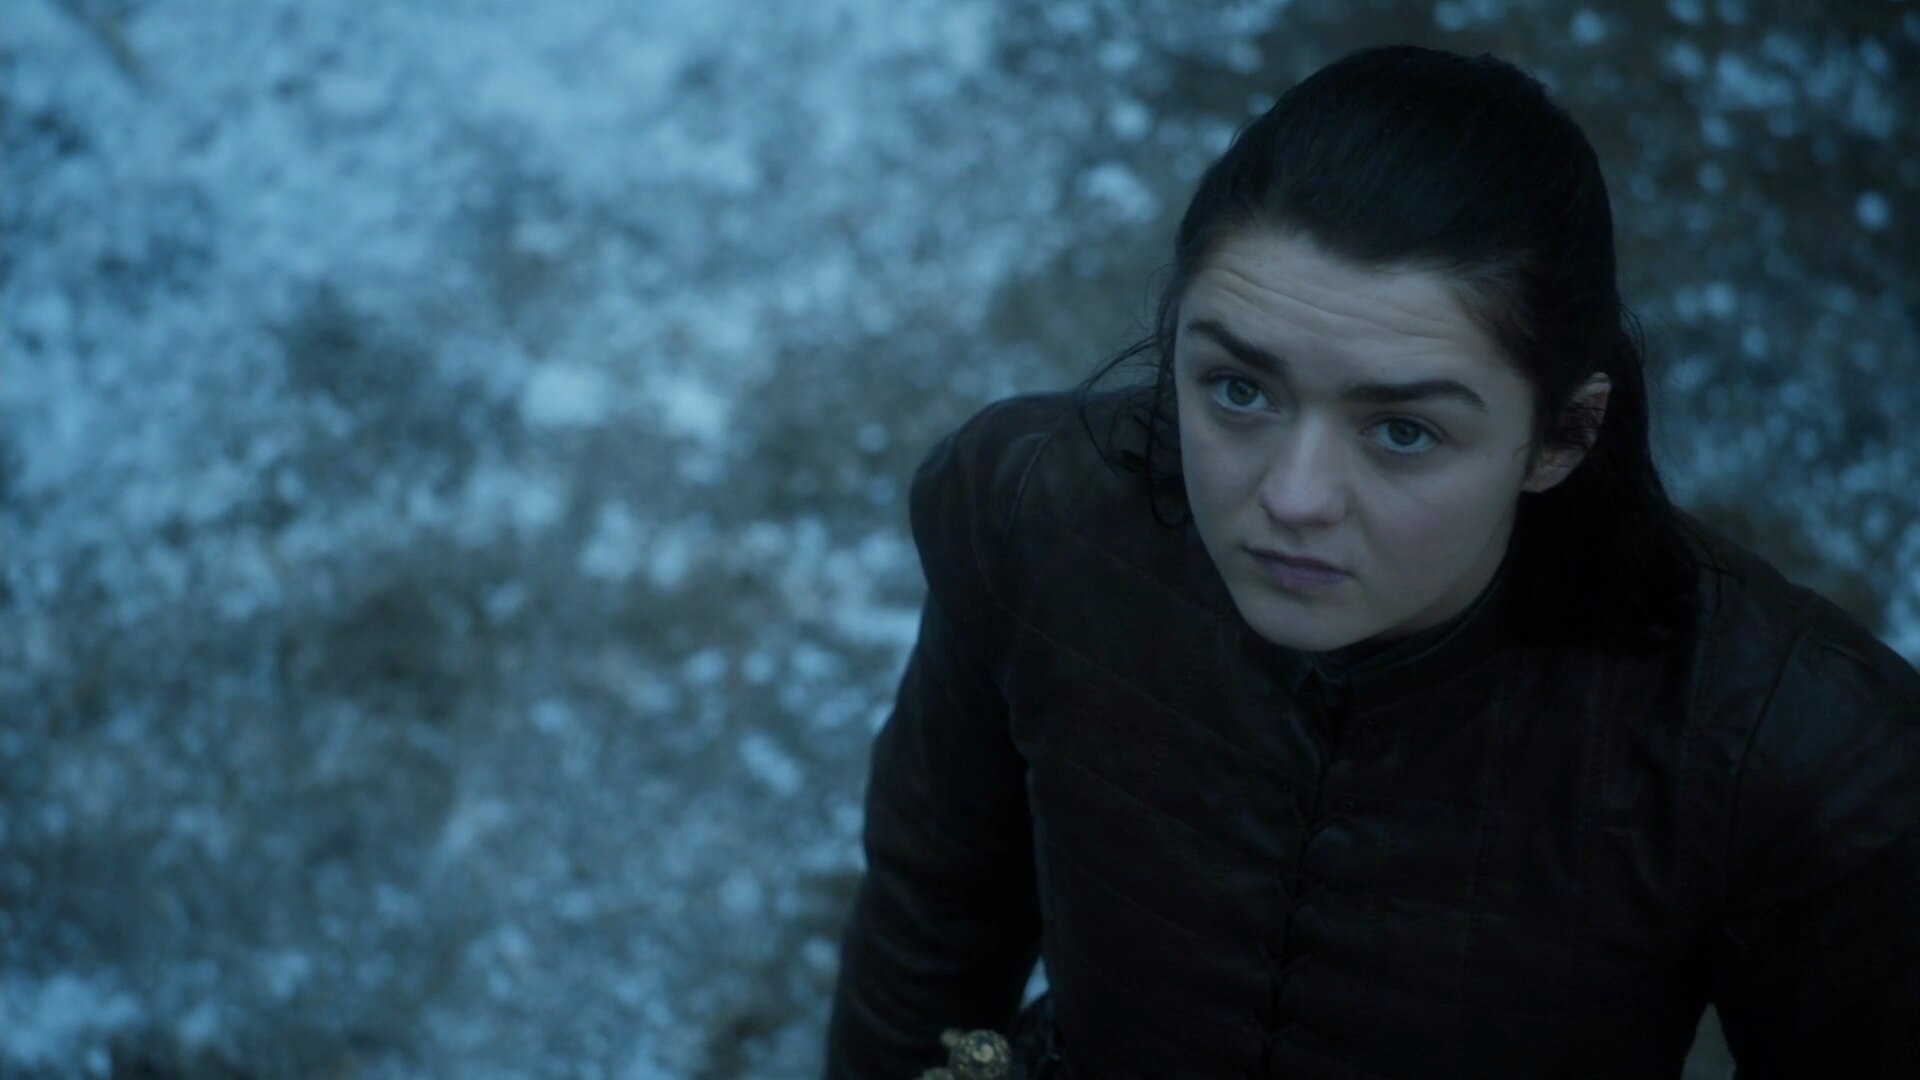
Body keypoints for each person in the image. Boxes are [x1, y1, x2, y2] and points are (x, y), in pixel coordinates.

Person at [822, 44, 1920, 1079]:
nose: (1293, 498)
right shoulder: (1032, 515)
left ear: (1561, 437)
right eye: (1239, 389)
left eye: (1403, 430)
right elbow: (934, 923)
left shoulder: (1787, 745)